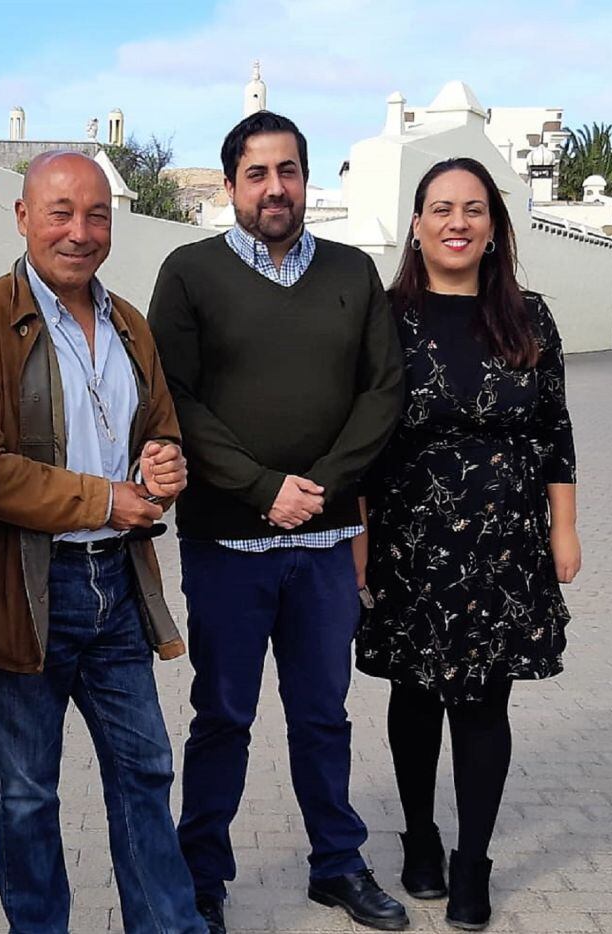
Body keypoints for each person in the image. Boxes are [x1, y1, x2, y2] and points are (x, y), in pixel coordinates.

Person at [149, 112, 407, 933]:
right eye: (256, 173)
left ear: (306, 180)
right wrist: (262, 488)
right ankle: (202, 878)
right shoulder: (189, 274)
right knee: (223, 716)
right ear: (230, 186)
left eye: (288, 170)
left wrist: (321, 490)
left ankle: (336, 864)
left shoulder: (352, 272)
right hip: (230, 545)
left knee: (323, 715)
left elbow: (383, 392)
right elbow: (175, 399)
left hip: (327, 548)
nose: (274, 187)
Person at [0, 151, 205, 934]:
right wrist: (105, 497)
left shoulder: (129, 321)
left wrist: (162, 463)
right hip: (24, 594)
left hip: (117, 586)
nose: (79, 231)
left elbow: (157, 428)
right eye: (60, 212)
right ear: (23, 217)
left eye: (96, 215)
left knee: (145, 769)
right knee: (27, 796)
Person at [355, 157, 581, 931]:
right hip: (409, 537)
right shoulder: (383, 317)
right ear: (416, 226)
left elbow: (555, 429)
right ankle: (420, 837)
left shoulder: (530, 316)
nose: (458, 222)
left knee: (485, 700)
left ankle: (472, 860)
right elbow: (359, 438)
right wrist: (356, 538)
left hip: (506, 544)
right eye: (441, 208)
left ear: (494, 227)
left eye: (474, 209)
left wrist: (565, 526)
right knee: (415, 695)